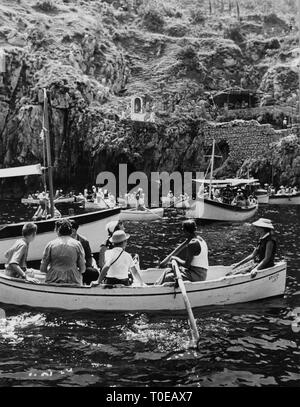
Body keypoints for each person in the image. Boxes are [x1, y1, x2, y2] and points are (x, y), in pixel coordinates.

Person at [155, 220, 208, 285]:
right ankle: (155, 285)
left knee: (169, 277)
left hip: (197, 275)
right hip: (196, 272)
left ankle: (157, 290)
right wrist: (163, 263)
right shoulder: (199, 239)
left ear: (184, 231)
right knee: (167, 270)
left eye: (182, 229)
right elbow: (180, 249)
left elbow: (186, 265)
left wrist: (175, 259)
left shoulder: (192, 243)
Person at [40, 219, 86, 285]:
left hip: (53, 280)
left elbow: (42, 269)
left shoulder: (50, 244)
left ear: (58, 231)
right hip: (73, 281)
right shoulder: (77, 244)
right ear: (70, 231)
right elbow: (83, 269)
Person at [70, 220, 99, 285]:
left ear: (74, 230)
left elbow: (89, 257)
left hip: (81, 266)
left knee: (93, 273)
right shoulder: (64, 240)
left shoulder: (84, 241)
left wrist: (85, 267)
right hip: (69, 267)